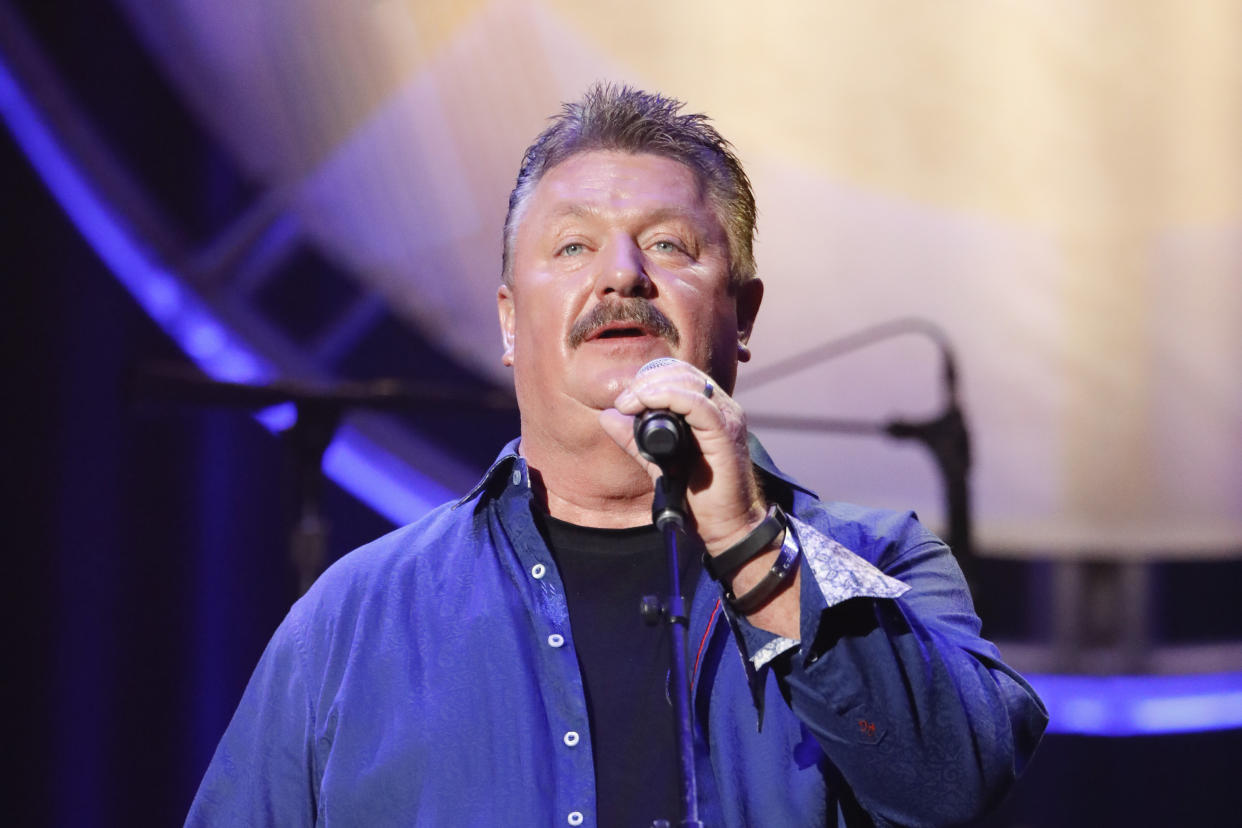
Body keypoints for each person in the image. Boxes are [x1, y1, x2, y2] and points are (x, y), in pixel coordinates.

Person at [187, 84, 1046, 827]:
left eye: (668, 244)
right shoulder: (355, 619)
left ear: (742, 317)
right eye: (572, 247)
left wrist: (755, 550)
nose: (622, 275)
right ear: (509, 319)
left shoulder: (879, 561)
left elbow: (955, 788)